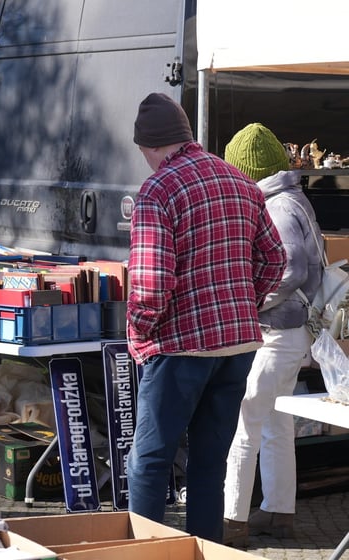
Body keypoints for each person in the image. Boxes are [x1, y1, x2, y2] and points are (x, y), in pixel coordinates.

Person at [126, 93, 287, 543]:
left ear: (148, 145)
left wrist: (139, 332)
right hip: (236, 345)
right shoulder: (241, 182)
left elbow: (151, 285)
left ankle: (146, 552)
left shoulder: (158, 190)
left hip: (179, 346)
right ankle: (204, 551)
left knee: (150, 460)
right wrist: (243, 302)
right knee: (208, 461)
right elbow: (274, 259)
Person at [221, 123, 324, 546]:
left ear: (247, 171)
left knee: (243, 425)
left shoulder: (276, 207)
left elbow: (291, 269)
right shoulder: (291, 199)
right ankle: (279, 515)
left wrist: (247, 304)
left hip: (276, 332)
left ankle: (232, 523)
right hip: (293, 332)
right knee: (277, 424)